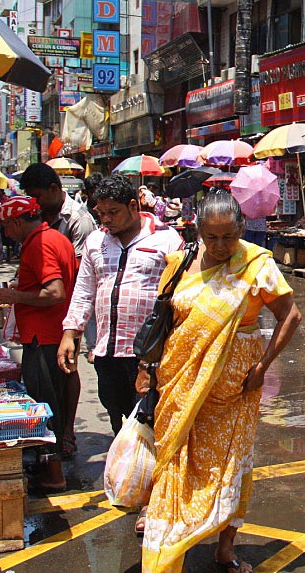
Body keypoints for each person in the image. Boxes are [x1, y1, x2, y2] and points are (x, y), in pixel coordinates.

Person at [138, 192, 301, 572]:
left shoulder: (256, 264)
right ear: (198, 232)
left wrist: (261, 368)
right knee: (175, 458)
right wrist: (146, 369)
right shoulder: (179, 264)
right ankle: (169, 542)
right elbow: (165, 319)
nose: (221, 246)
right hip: (178, 380)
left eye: (228, 236)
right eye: (212, 238)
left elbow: (290, 317)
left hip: (233, 389)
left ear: (241, 230)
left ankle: (224, 549)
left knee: (228, 463)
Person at [58, 174, 183, 436]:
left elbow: (182, 295)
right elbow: (84, 290)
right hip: (108, 352)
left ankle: (152, 475)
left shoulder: (167, 239)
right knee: (117, 417)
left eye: (113, 212)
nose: (105, 219)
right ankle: (125, 469)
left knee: (152, 423)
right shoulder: (96, 241)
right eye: (101, 212)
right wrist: (71, 332)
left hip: (150, 356)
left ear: (133, 206)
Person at [0, 196, 77, 490]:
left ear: (16, 222)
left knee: (45, 405)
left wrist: (15, 296)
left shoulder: (39, 244)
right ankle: (54, 461)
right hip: (55, 332)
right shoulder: (55, 237)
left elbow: (55, 292)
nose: (5, 232)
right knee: (55, 399)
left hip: (44, 336)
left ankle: (54, 474)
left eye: (6, 226)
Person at [21, 162, 97, 457]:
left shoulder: (78, 220)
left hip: (71, 305)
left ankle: (66, 431)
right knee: (53, 370)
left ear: (54, 190)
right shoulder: (40, 215)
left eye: (37, 195)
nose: (33, 202)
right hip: (51, 305)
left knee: (68, 367)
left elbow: (82, 273)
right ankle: (53, 430)